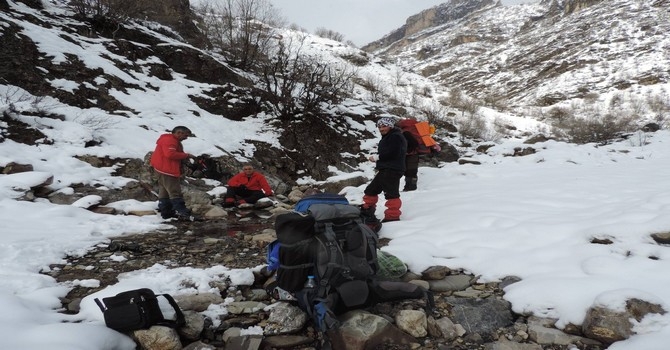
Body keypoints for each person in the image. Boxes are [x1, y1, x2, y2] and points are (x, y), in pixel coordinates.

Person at [361, 117, 407, 223]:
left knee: (391, 193)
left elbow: (394, 153)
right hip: (387, 168)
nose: (381, 129)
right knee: (371, 190)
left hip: (392, 169)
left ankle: (392, 217)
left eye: (384, 126)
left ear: (390, 126)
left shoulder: (395, 136)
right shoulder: (390, 136)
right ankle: (367, 211)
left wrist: (377, 157)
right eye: (380, 127)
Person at [150, 126, 196, 220]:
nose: (186, 138)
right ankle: (183, 213)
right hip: (167, 170)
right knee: (175, 191)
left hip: (161, 169)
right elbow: (170, 154)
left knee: (165, 191)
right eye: (185, 135)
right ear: (179, 133)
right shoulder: (170, 141)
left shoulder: (168, 139)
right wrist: (186, 155)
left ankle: (166, 212)